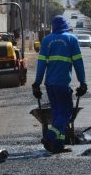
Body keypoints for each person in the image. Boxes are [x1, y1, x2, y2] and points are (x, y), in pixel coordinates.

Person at [32, 15, 87, 153]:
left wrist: (37, 83)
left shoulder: (46, 40)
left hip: (50, 84)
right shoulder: (71, 39)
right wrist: (83, 82)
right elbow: (78, 63)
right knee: (67, 113)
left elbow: (41, 64)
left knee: (57, 114)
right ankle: (50, 137)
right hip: (63, 84)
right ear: (66, 26)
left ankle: (58, 145)